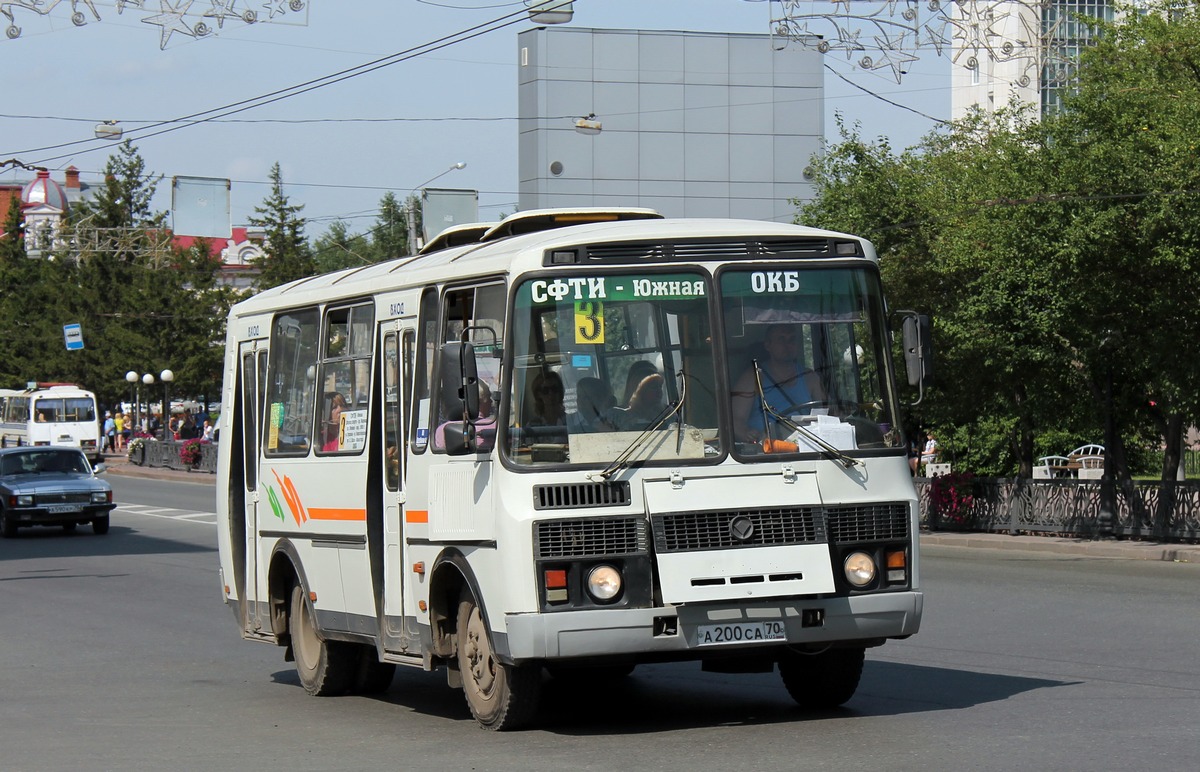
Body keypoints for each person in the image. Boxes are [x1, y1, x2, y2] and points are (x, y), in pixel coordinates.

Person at [732, 324, 826, 444]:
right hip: (766, 450)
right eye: (781, 339)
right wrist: (747, 434)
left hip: (805, 446)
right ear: (768, 345)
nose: (787, 345)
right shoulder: (753, 377)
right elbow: (735, 420)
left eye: (792, 339)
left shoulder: (810, 377)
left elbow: (826, 414)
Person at [434, 381, 497, 451]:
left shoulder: (442, 430)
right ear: (479, 400)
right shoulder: (495, 426)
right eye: (488, 397)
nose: (491, 402)